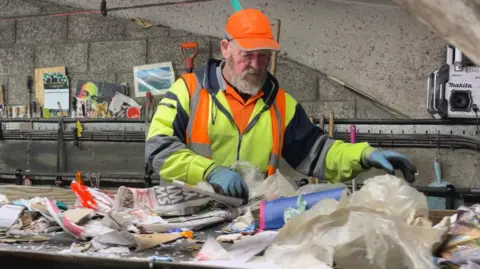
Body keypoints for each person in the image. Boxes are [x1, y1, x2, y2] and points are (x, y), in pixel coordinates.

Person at [145, 8, 417, 202]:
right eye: (247, 55)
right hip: (187, 215)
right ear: (225, 48)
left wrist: (363, 155)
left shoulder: (280, 105)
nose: (255, 65)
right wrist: (209, 171)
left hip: (247, 221)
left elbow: (318, 153)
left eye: (263, 56)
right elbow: (158, 151)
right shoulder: (188, 90)